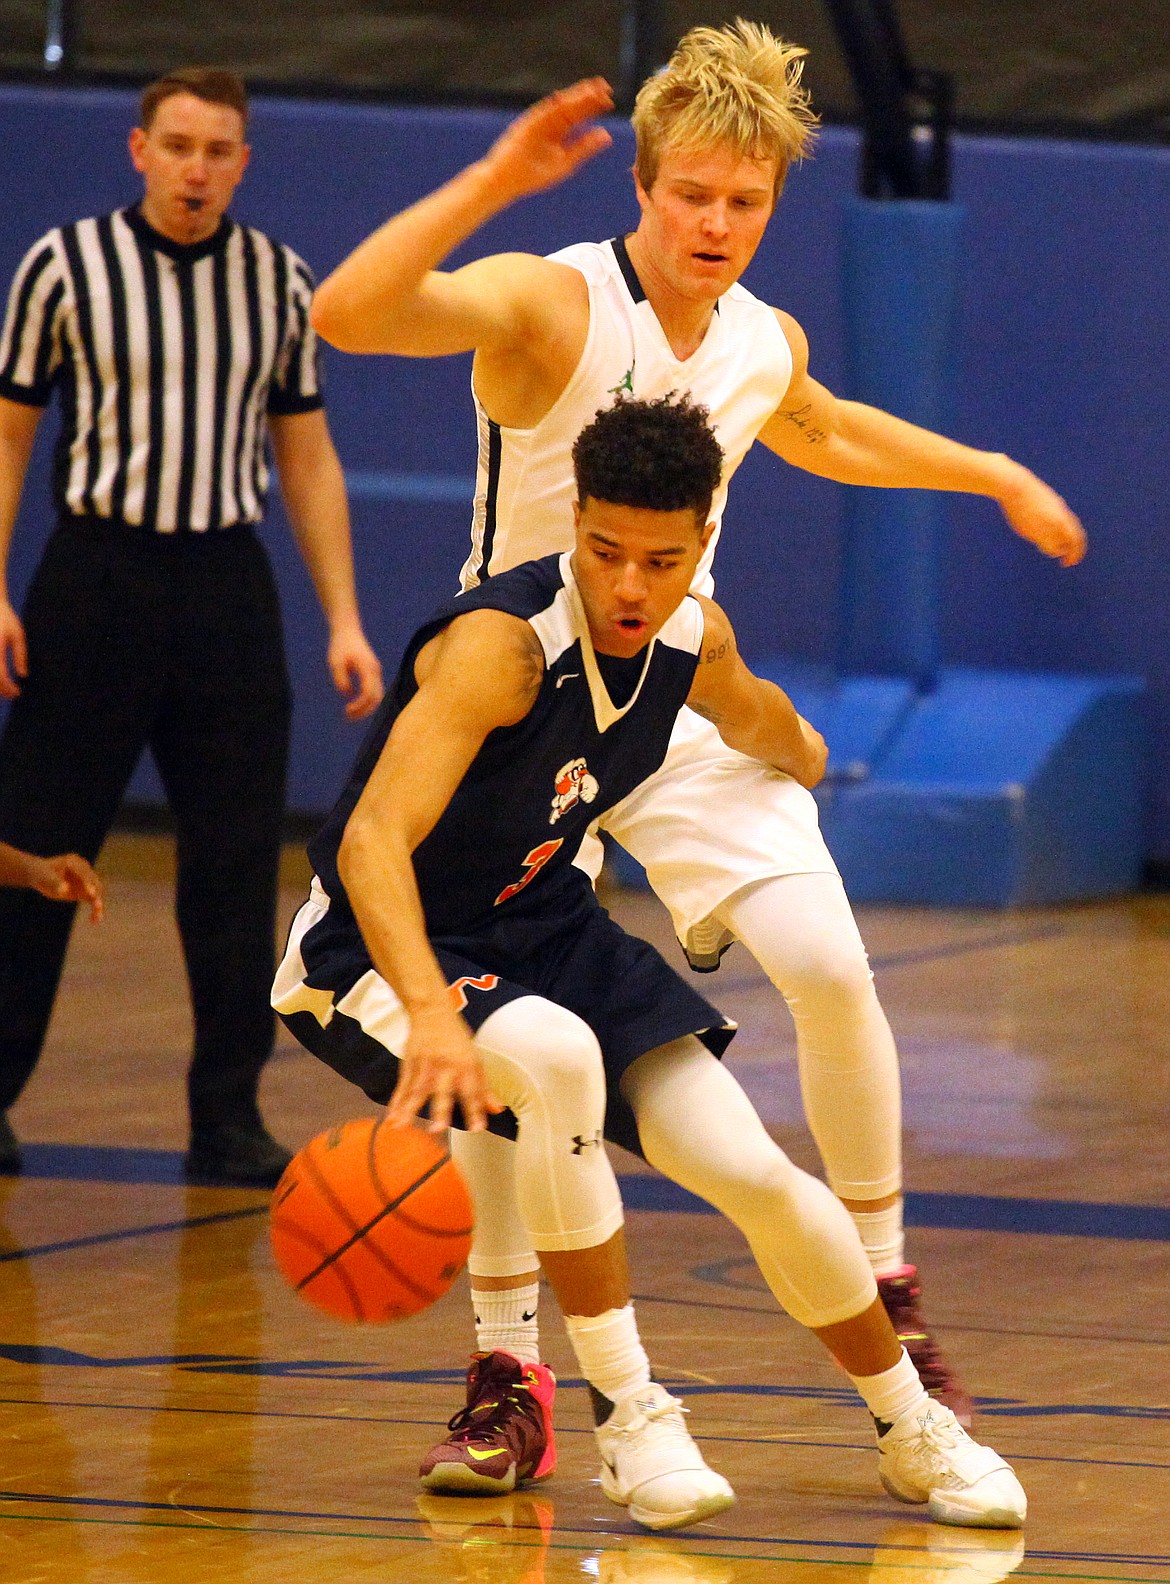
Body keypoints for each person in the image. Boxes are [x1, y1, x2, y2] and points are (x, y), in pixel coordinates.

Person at [308, 19, 1087, 1458]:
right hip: (513, 698)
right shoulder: (550, 303)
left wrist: (990, 473)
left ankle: (886, 1278)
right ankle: (508, 1369)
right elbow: (352, 314)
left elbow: (828, 427)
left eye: (745, 202)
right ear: (644, 188)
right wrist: (490, 178)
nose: (716, 224)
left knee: (834, 968)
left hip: (669, 697)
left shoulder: (756, 338)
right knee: (515, 1049)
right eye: (691, 195)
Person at [274, 395, 1027, 1531]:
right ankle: (630, 1416)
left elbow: (756, 714)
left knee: (755, 1171)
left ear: (701, 543)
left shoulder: (691, 636)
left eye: (660, 561)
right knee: (555, 1055)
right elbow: (371, 840)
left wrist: (802, 748)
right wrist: (429, 1011)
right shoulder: (503, 651)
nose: (630, 585)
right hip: (388, 948)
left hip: (546, 927)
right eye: (605, 551)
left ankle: (911, 1426)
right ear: (573, 522)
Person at [0, 67, 384, 1187]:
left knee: (231, 865)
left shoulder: (278, 282)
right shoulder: (64, 266)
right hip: (94, 578)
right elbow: (12, 437)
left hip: (226, 586)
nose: (196, 168)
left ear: (243, 163)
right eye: (177, 145)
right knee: (35, 849)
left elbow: (305, 455)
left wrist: (345, 619)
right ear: (139, 150)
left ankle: (227, 1117)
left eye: (218, 150)